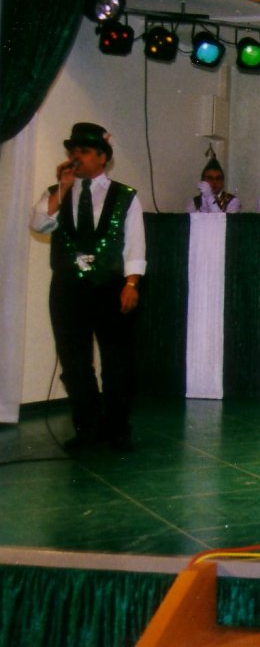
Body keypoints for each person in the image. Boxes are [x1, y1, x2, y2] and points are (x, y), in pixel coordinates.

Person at [30, 122, 146, 452]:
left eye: (82, 151)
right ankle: (87, 427)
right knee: (74, 362)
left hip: (111, 287)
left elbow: (135, 243)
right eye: (73, 151)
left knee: (117, 362)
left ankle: (118, 428)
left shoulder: (125, 196)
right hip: (68, 290)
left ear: (102, 157)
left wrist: (132, 283)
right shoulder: (57, 192)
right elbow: (39, 223)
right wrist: (63, 188)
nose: (75, 157)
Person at [187, 144, 241, 213]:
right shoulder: (195, 202)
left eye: (218, 178)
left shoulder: (232, 201)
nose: (214, 182)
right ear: (203, 181)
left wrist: (209, 197)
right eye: (210, 178)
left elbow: (221, 219)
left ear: (222, 182)